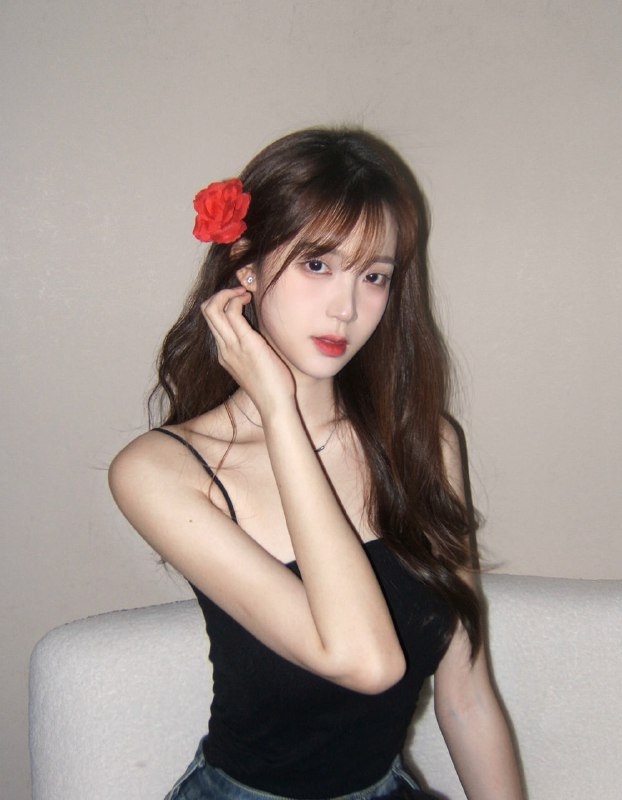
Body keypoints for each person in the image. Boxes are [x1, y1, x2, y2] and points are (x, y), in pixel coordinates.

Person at [109, 127, 524, 800]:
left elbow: (468, 698)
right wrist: (279, 411)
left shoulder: (425, 445)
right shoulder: (160, 472)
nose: (346, 308)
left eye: (374, 276)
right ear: (246, 267)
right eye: (317, 264)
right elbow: (364, 661)